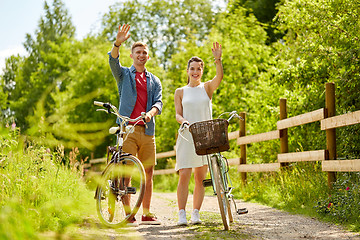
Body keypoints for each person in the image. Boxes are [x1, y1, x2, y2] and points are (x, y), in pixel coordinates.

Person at [108, 23, 163, 226]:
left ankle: (146, 213)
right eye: (138, 52)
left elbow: (159, 102)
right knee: (127, 172)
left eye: (144, 53)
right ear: (132, 55)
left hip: (148, 130)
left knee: (148, 173)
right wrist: (117, 43)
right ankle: (129, 214)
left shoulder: (154, 80)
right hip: (128, 130)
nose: (141, 55)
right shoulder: (123, 75)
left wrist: (150, 113)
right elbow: (113, 61)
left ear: (148, 57)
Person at [174, 42, 223, 225]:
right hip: (187, 136)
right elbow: (178, 114)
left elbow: (220, 76)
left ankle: (195, 213)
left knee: (200, 178)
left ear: (202, 71)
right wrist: (182, 120)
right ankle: (181, 214)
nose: (195, 72)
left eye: (199, 69)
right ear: (187, 71)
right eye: (192, 69)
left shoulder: (207, 88)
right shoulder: (180, 91)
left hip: (204, 137)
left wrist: (218, 59)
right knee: (184, 174)